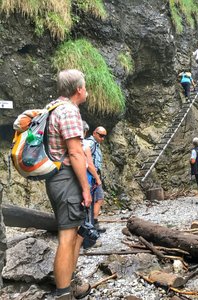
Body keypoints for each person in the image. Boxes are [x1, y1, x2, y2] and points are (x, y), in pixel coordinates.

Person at [45, 69, 91, 299]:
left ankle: (70, 284)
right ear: (78, 90)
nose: (87, 90)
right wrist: (85, 188)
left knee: (71, 233)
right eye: (85, 87)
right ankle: (63, 293)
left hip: (56, 179)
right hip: (65, 178)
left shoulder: (53, 107)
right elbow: (75, 154)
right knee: (66, 237)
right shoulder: (70, 112)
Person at [85, 126, 107, 233]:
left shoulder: (96, 144)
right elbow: (88, 163)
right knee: (94, 199)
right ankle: (91, 225)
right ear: (94, 133)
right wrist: (97, 178)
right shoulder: (91, 143)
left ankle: (93, 223)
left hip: (93, 176)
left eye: (104, 136)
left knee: (98, 199)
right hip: (89, 176)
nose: (102, 138)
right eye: (101, 135)